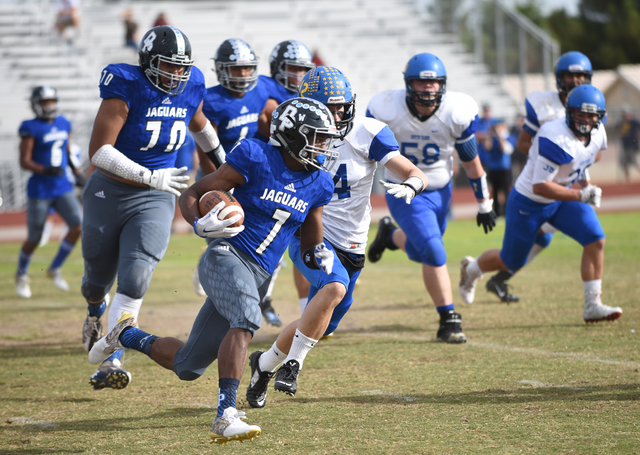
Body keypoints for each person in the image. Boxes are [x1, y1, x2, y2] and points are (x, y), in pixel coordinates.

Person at [87, 97, 341, 444]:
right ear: (292, 135)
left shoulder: (319, 183)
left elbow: (311, 240)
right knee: (248, 318)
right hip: (225, 256)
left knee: (188, 365)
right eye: (317, 137)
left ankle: (125, 334)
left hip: (258, 273)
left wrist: (318, 256)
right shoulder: (256, 155)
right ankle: (225, 415)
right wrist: (198, 223)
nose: (323, 146)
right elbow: (194, 192)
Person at [244, 66, 428, 406]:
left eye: (343, 106)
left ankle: (264, 365)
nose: (339, 114)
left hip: (353, 244)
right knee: (334, 286)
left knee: (319, 324)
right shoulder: (297, 132)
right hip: (309, 235)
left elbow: (413, 171)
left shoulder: (368, 133)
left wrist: (412, 185)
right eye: (331, 108)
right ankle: (293, 367)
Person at [81, 25, 226, 391]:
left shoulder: (191, 86)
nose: (176, 74)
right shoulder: (126, 85)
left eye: (181, 67)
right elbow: (99, 152)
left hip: (157, 195)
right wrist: (148, 175)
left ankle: (112, 354)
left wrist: (226, 172)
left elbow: (203, 129)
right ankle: (95, 309)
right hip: (110, 191)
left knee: (136, 276)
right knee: (96, 278)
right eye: (168, 66)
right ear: (147, 63)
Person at [458, 85, 622, 324]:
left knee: (595, 239)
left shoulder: (598, 134)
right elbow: (540, 186)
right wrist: (580, 196)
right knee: (511, 261)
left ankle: (592, 305)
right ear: (569, 112)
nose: (586, 121)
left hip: (561, 196)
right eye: (581, 114)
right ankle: (471, 269)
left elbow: (584, 160)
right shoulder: (555, 136)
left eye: (591, 115)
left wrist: (585, 184)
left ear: (600, 117)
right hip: (530, 201)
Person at [365, 53, 496, 344]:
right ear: (408, 84)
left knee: (420, 252)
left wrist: (484, 203)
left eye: (434, 83)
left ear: (443, 85)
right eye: (421, 84)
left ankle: (389, 236)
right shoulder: (387, 108)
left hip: (442, 191)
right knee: (435, 252)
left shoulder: (456, 111)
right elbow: (366, 152)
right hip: (405, 191)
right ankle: (448, 318)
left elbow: (471, 162)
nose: (428, 90)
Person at [485, 51, 593, 303]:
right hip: (540, 182)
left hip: (565, 184)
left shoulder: (593, 105)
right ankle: (477, 271)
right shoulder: (543, 105)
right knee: (525, 246)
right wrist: (552, 154)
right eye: (570, 75)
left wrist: (580, 171)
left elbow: (592, 152)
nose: (576, 81)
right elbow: (524, 143)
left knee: (559, 238)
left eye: (580, 75)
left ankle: (498, 278)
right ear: (559, 78)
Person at [252, 40, 317, 325]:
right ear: (278, 67)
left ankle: (265, 297)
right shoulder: (267, 88)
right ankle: (253, 296)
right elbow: (268, 116)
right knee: (265, 242)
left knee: (293, 241)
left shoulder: (309, 92)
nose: (298, 75)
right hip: (267, 171)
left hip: (297, 172)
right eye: (293, 68)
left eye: (303, 69)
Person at [15, 86, 83, 299]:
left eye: (51, 101)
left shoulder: (63, 123)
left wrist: (77, 171)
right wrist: (45, 170)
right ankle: (21, 274)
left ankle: (54, 269)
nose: (49, 106)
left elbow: (67, 150)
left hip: (62, 186)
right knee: (35, 237)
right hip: (40, 189)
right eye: (45, 102)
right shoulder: (30, 127)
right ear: (36, 105)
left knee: (78, 226)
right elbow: (24, 161)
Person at [478, 119, 515, 217]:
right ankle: (497, 213)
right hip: (493, 168)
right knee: (494, 191)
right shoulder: (491, 138)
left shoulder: (507, 137)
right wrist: (490, 135)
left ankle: (507, 212)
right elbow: (487, 147)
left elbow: (504, 148)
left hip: (504, 168)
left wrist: (499, 136)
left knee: (506, 190)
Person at [615, 108, 640, 182]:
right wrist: (620, 132)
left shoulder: (634, 122)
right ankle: (627, 180)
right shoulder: (621, 123)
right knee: (624, 164)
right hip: (624, 146)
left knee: (635, 162)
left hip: (632, 146)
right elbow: (617, 129)